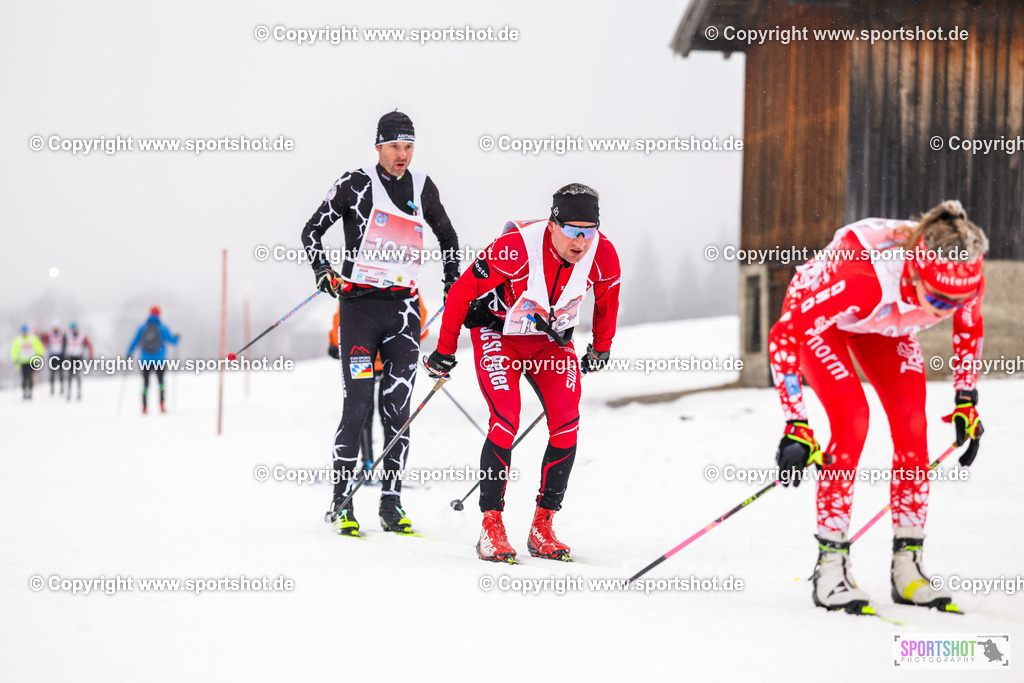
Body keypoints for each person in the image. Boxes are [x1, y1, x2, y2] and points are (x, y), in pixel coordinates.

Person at [768, 199, 987, 614]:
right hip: (824, 322)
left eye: (955, 302)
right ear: (915, 272)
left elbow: (969, 327)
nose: (944, 311)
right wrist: (796, 424)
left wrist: (965, 400)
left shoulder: (963, 271)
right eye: (939, 301)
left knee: (913, 426)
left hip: (882, 325)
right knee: (853, 419)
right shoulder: (863, 274)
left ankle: (909, 568)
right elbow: (784, 335)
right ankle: (830, 568)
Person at [424, 183, 621, 563]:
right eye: (572, 230)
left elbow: (607, 300)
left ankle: (542, 526)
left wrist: (601, 346)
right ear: (553, 225)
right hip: (499, 335)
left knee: (567, 423)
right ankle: (491, 526)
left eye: (589, 231)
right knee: (505, 421)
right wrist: (444, 351)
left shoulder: (604, 254)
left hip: (548, 342)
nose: (581, 241)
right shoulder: (516, 247)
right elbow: (462, 292)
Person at [302, 110, 461, 536]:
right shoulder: (354, 184)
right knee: (356, 409)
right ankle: (342, 500)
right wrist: (322, 271)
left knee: (398, 412)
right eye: (394, 146)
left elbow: (448, 237)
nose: (401, 154)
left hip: (403, 313)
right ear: (378, 147)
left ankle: (392, 502)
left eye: (408, 146)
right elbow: (311, 231)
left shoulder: (423, 187)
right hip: (357, 311)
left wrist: (452, 283)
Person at [328, 297, 432, 479]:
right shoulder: (405, 286)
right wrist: (408, 341)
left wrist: (335, 344)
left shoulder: (359, 287)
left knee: (361, 410)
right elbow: (418, 318)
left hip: (363, 356)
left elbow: (342, 319)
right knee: (391, 412)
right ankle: (390, 470)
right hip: (392, 358)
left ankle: (368, 463)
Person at [127, 306, 180, 414]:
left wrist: (129, 353)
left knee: (146, 383)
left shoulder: (142, 328)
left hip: (145, 360)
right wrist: (177, 337)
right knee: (161, 382)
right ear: (159, 314)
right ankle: (162, 404)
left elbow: (135, 341)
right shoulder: (163, 328)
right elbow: (173, 341)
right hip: (160, 360)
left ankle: (144, 407)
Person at [63, 322, 94, 401]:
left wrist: (91, 355)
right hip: (70, 358)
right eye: (71, 329)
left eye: (74, 329)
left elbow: (89, 345)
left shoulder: (82, 336)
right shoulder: (67, 336)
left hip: (79, 358)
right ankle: (69, 393)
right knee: (69, 376)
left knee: (78, 375)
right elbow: (62, 346)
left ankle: (79, 392)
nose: (73, 331)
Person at [11, 325, 45, 400]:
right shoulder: (19, 340)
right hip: (23, 362)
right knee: (24, 377)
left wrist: (39, 355)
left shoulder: (32, 338)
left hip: (31, 361)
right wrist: (15, 359)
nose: (24, 333)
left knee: (30, 377)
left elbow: (39, 347)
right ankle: (24, 391)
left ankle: (30, 391)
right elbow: (14, 350)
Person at [41, 320, 65, 395]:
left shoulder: (62, 334)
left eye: (57, 327)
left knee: (61, 373)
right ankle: (52, 388)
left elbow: (66, 342)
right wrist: (42, 335)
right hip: (52, 356)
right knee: (52, 373)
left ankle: (62, 388)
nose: (56, 329)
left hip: (60, 356)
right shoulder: (49, 334)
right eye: (54, 327)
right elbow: (44, 340)